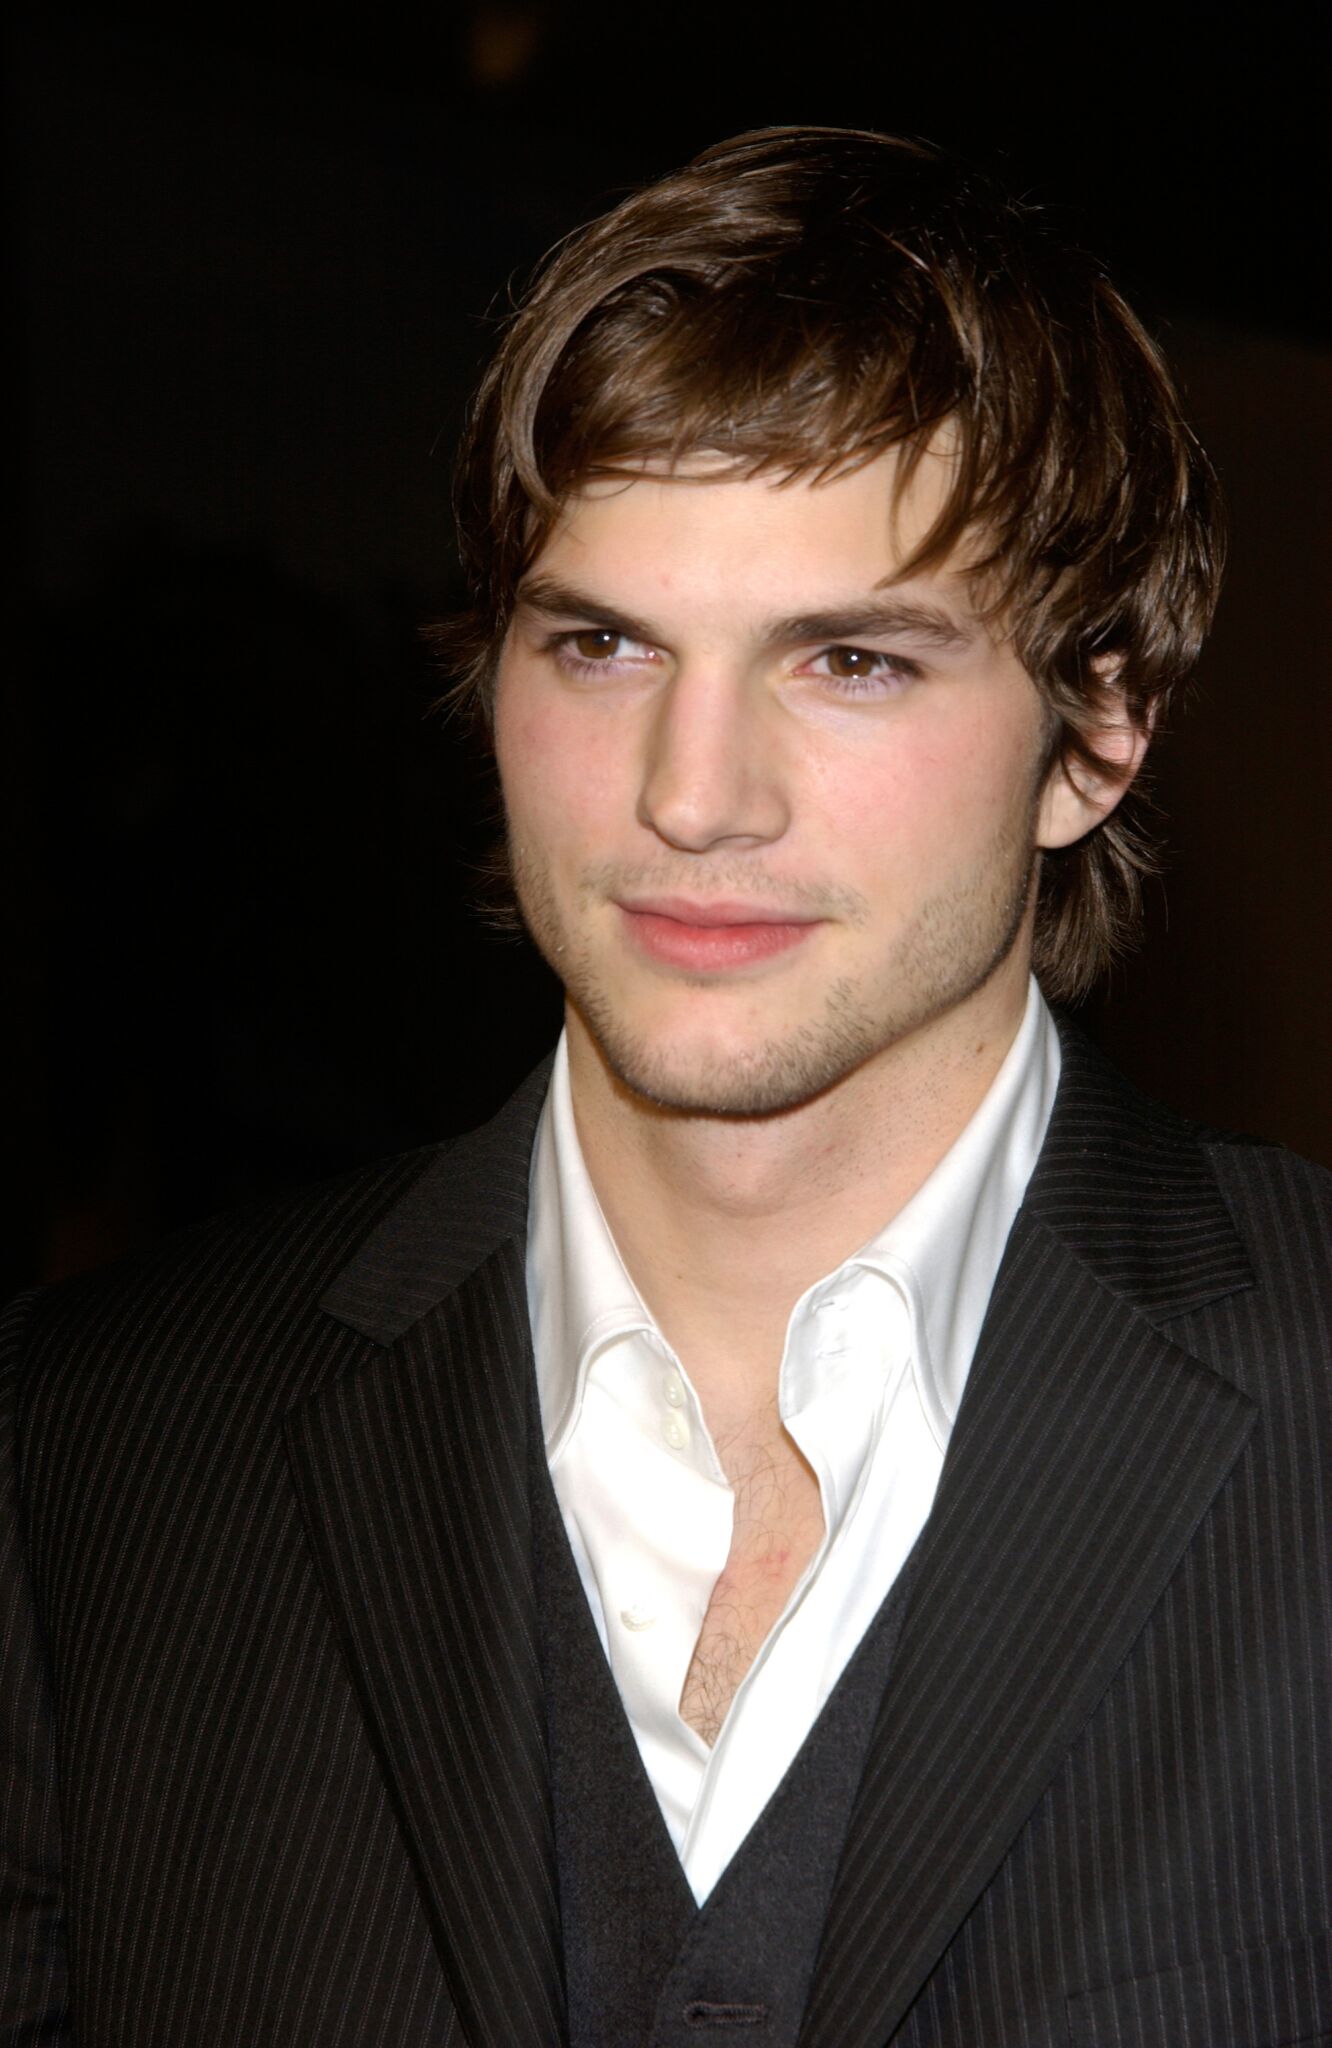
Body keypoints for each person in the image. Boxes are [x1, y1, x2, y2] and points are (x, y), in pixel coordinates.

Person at [3, 127, 1329, 2048]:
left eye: (853, 660)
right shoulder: (91, 1462)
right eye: (606, 643)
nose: (692, 794)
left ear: (1098, 732)